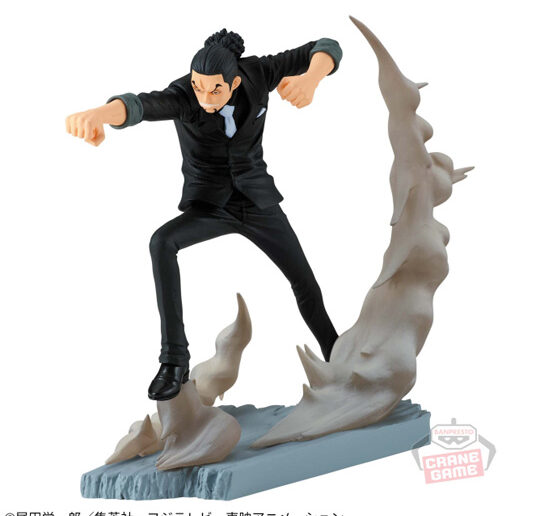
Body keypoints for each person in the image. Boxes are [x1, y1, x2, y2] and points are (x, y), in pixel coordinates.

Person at [66, 29, 343, 401]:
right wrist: (99, 114)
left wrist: (311, 79)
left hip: (258, 201)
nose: (205, 97)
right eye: (198, 86)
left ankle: (337, 356)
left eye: (215, 90)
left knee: (304, 281)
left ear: (235, 82)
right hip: (211, 205)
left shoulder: (258, 73)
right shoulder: (185, 96)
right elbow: (140, 106)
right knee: (162, 242)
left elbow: (326, 47)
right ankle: (173, 361)